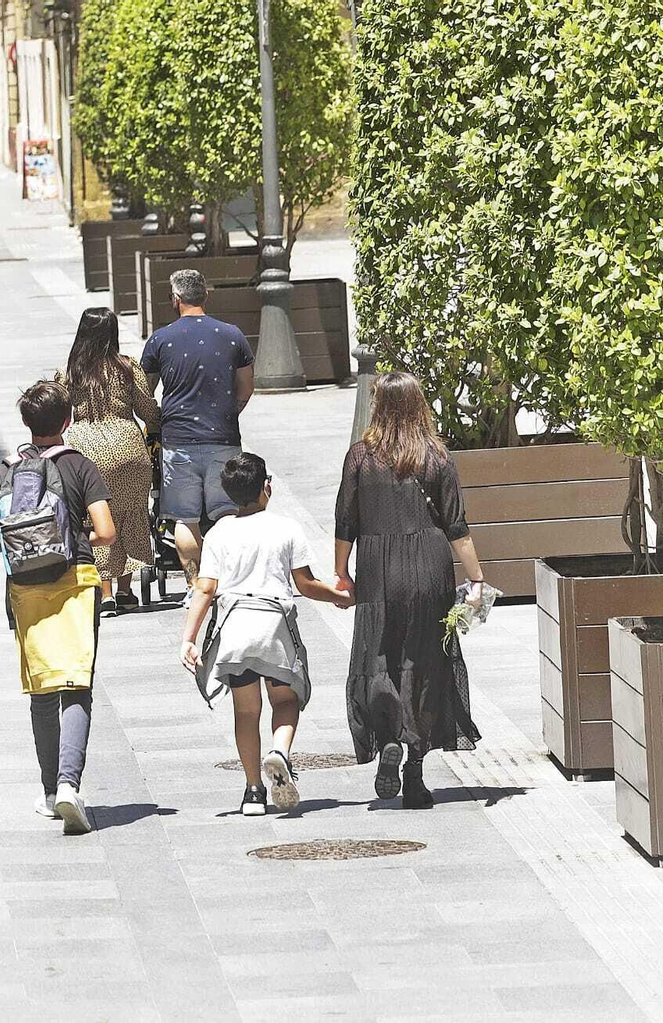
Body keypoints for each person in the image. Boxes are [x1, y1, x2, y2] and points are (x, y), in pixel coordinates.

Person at [335, 371, 485, 808]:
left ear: (378, 405)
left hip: (379, 567)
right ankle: (415, 774)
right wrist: (475, 578)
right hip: (429, 567)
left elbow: (346, 520)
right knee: (425, 661)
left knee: (380, 653)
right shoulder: (437, 457)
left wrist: (341, 572)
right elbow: (457, 526)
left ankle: (388, 740)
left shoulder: (360, 457)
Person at [181, 453, 354, 816]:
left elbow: (205, 588)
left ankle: (252, 793)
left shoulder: (218, 533)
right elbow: (305, 585)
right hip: (273, 628)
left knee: (246, 712)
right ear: (266, 488)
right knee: (286, 701)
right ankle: (279, 752)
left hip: (235, 630)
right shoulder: (285, 528)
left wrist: (189, 637)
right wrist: (340, 596)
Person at [0, 380, 114, 835]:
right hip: (76, 582)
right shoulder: (80, 467)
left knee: (41, 690)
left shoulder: (7, 470)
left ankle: (46, 791)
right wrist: (74, 540)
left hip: (25, 590)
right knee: (76, 684)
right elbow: (107, 531)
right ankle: (68, 784)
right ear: (68, 421)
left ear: (26, 423)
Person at [140, 268, 255, 594]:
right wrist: (227, 414)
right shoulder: (233, 335)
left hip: (178, 442)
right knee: (227, 516)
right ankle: (229, 581)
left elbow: (145, 392)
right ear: (206, 295)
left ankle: (194, 585)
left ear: (175, 300)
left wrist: (156, 424)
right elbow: (246, 388)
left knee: (185, 519)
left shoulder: (160, 340)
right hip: (224, 439)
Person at [59, 308, 161, 615]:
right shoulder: (128, 368)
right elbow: (147, 409)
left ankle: (105, 593)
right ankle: (126, 589)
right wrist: (158, 425)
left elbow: (61, 412)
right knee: (130, 514)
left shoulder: (71, 372)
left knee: (97, 519)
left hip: (86, 451)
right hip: (128, 448)